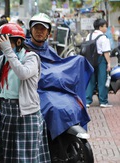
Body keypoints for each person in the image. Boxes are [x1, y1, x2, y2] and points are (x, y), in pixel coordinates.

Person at [0, 23, 51, 163]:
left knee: (25, 157)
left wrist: (8, 51)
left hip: (25, 112)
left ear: (19, 41)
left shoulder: (31, 57)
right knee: (8, 155)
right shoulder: (3, 59)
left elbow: (22, 73)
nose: (4, 46)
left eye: (7, 41)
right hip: (7, 111)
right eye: (2, 42)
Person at [23, 13, 92, 141]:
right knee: (54, 108)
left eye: (43, 29)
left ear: (48, 33)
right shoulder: (23, 49)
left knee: (75, 103)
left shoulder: (50, 51)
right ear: (30, 30)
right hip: (35, 92)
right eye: (36, 28)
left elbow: (58, 67)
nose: (39, 32)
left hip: (54, 90)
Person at [85, 18, 112, 108]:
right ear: (100, 27)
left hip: (89, 60)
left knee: (90, 81)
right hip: (101, 60)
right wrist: (109, 63)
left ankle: (87, 101)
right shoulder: (103, 37)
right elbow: (106, 52)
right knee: (102, 81)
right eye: (105, 26)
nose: (106, 28)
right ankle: (103, 101)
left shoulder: (89, 35)